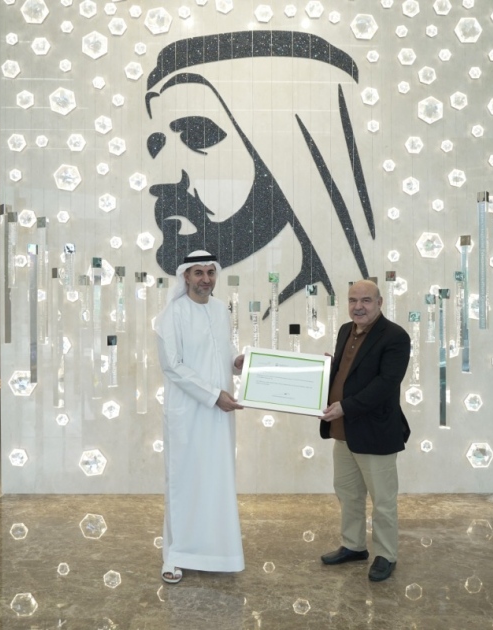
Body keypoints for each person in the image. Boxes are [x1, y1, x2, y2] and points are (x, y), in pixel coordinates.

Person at [144, 31, 378, 310]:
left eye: (197, 136)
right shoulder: (199, 305)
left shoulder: (327, 308)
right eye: (156, 144)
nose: (164, 177)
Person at [155, 250, 245, 584]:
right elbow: (172, 366)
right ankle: (175, 555)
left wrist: (236, 362)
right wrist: (212, 395)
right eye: (198, 273)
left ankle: (217, 553)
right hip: (189, 413)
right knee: (184, 482)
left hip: (220, 413)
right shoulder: (172, 314)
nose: (205, 279)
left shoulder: (221, 309)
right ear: (186, 277)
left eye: (210, 272)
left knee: (217, 480)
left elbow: (223, 349)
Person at [319, 280, 410, 582]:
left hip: (375, 432)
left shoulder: (395, 336)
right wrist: (326, 370)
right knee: (348, 493)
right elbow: (350, 371)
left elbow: (385, 384)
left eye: (366, 300)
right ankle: (353, 546)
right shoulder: (346, 330)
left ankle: (386, 554)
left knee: (382, 500)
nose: (358, 306)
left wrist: (346, 406)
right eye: (353, 300)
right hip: (343, 430)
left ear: (380, 303)